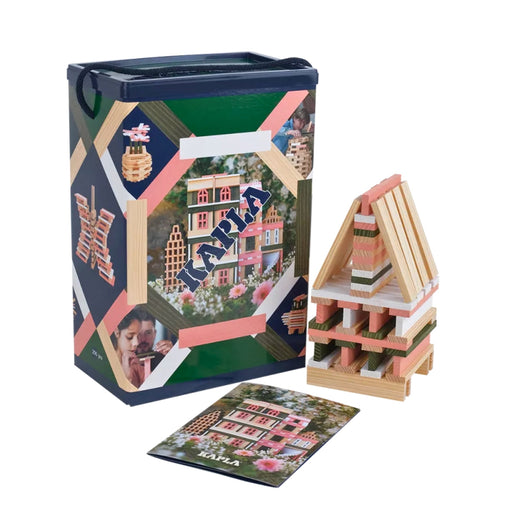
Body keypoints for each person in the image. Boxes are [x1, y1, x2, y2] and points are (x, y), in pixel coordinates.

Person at [111, 310, 145, 388]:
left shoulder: (137, 368)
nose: (136, 343)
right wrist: (126, 379)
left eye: (138, 336)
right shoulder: (105, 363)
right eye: (130, 337)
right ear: (116, 332)